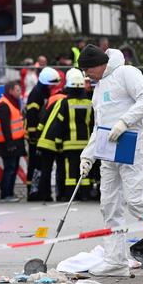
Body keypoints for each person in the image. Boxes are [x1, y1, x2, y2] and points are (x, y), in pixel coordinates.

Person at [78, 44, 143, 276]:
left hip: (132, 145)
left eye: (87, 70)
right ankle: (116, 259)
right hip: (108, 150)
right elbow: (98, 126)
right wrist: (88, 155)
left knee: (136, 200)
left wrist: (124, 122)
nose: (87, 76)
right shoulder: (98, 87)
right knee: (109, 205)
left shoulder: (127, 73)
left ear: (98, 64)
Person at [53, 68, 94, 201]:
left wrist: (58, 141)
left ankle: (71, 195)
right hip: (85, 143)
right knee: (85, 170)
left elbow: (60, 123)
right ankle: (85, 195)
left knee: (70, 172)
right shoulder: (89, 103)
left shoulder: (65, 103)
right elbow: (93, 123)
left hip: (69, 144)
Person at [24, 67, 62, 198]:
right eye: (51, 84)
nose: (53, 87)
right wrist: (33, 136)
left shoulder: (44, 92)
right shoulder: (36, 95)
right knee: (34, 164)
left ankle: (38, 190)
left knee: (39, 164)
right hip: (35, 136)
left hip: (40, 135)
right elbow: (32, 117)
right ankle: (32, 191)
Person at [0, 81, 26, 203]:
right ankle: (5, 194)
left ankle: (10, 193)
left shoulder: (12, 102)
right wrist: (10, 143)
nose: (20, 93)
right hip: (8, 143)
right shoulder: (4, 104)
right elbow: (5, 126)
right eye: (17, 90)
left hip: (15, 142)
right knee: (10, 168)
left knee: (13, 168)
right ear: (10, 91)